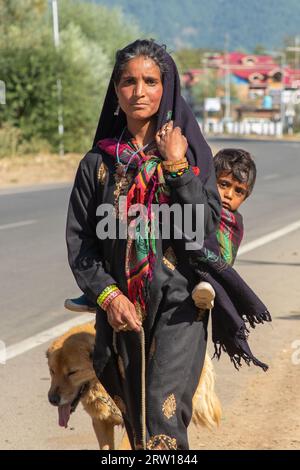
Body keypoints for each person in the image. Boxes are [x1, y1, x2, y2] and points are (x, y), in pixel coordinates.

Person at [66, 39, 270, 450]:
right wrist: (108, 297)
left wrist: (177, 167)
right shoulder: (98, 165)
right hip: (120, 309)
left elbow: (207, 224)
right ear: (116, 90)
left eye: (150, 81)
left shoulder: (191, 156)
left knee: (163, 414)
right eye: (128, 81)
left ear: (167, 88)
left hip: (180, 306)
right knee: (135, 420)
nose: (138, 91)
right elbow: (82, 244)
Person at [191, 148, 256, 311]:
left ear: (246, 196)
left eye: (239, 191)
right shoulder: (200, 207)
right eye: (224, 184)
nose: (229, 194)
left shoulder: (235, 223)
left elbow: (227, 256)